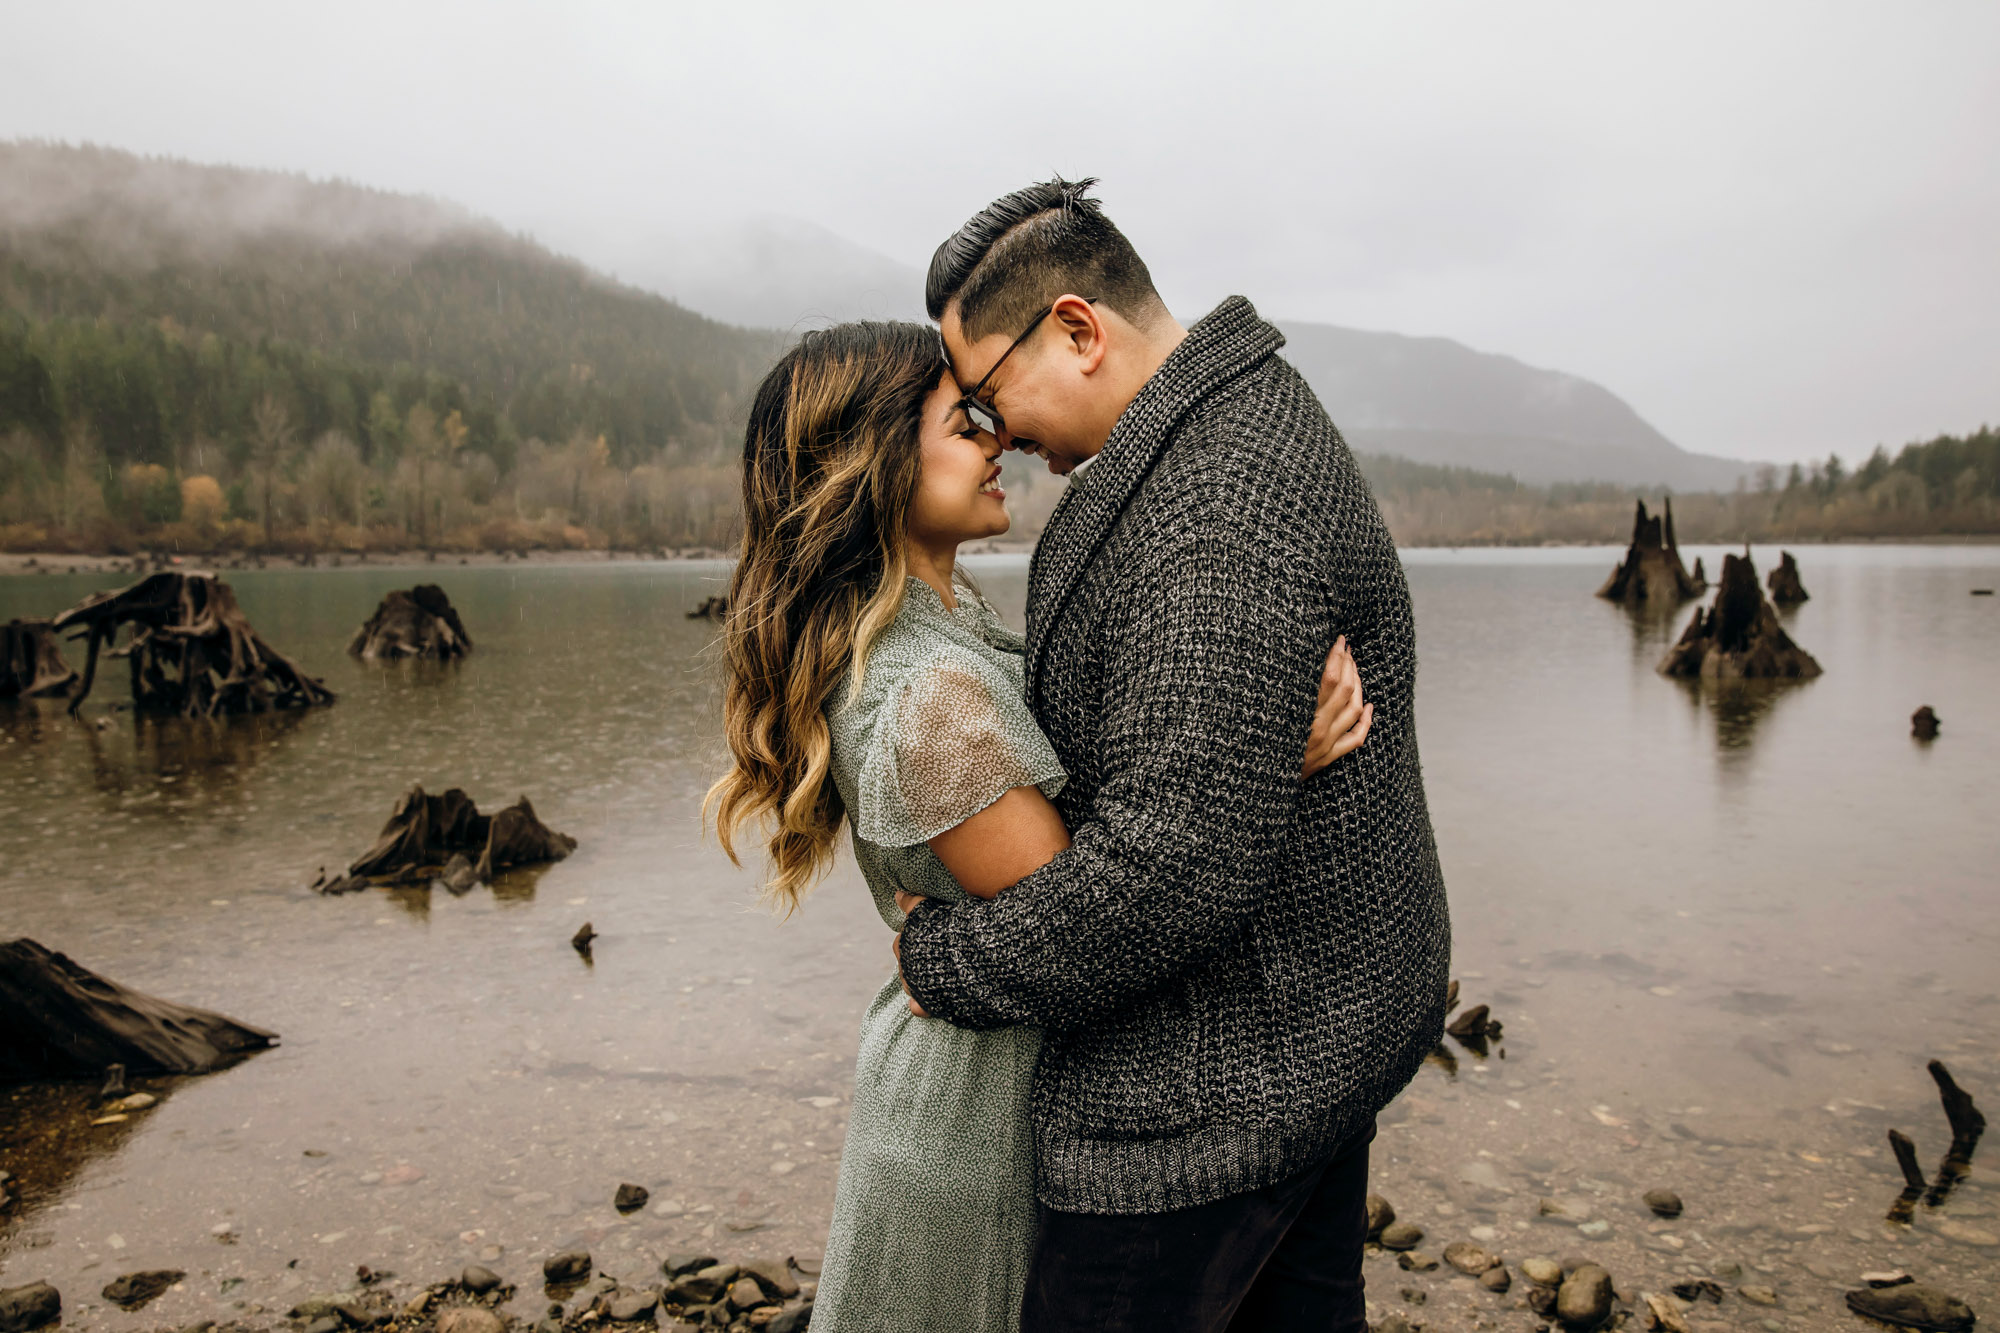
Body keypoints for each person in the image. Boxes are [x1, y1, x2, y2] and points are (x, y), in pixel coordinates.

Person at [708, 320, 1373, 1332]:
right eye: (962, 420)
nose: (997, 440)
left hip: (995, 1081)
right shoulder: (928, 696)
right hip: (975, 1121)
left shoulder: (943, 621)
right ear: (879, 464)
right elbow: (1088, 918)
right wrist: (1263, 761)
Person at [892, 178, 1453, 1333]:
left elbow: (1171, 864)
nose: (1001, 436)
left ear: (1077, 330)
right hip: (1304, 1040)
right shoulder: (1218, 431)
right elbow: (1182, 794)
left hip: (1210, 1101)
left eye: (992, 395)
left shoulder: (1212, 505)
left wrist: (944, 961)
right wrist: (1253, 764)